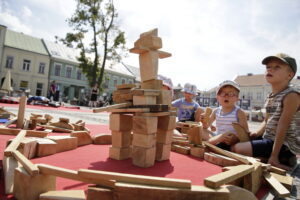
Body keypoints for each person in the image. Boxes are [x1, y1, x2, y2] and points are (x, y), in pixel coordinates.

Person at [232, 53, 300, 170]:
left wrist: (274, 156)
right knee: (234, 141)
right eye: (268, 67)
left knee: (237, 149)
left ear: (289, 75)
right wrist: (257, 133)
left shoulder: (291, 95)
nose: (270, 70)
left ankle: (281, 158)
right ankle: (264, 158)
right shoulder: (271, 96)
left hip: (284, 145)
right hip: (269, 139)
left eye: (277, 67)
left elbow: (283, 125)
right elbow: (267, 119)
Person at [202, 80, 249, 151]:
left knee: (226, 134)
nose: (226, 96)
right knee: (200, 129)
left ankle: (208, 144)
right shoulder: (216, 111)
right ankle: (212, 143)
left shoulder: (239, 112)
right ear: (217, 97)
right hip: (217, 137)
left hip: (229, 141)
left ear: (237, 97)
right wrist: (203, 122)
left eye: (230, 93)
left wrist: (236, 138)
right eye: (222, 93)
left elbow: (245, 133)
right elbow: (206, 126)